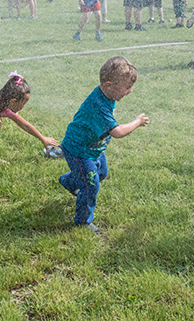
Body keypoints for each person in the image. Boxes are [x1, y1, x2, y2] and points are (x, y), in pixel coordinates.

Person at [58, 56, 149, 233]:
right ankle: (83, 221)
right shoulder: (98, 105)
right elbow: (117, 132)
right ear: (109, 85)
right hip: (79, 150)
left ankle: (69, 181)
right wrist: (137, 122)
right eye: (127, 88)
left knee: (101, 173)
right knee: (91, 186)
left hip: (93, 147)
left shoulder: (106, 94)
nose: (129, 92)